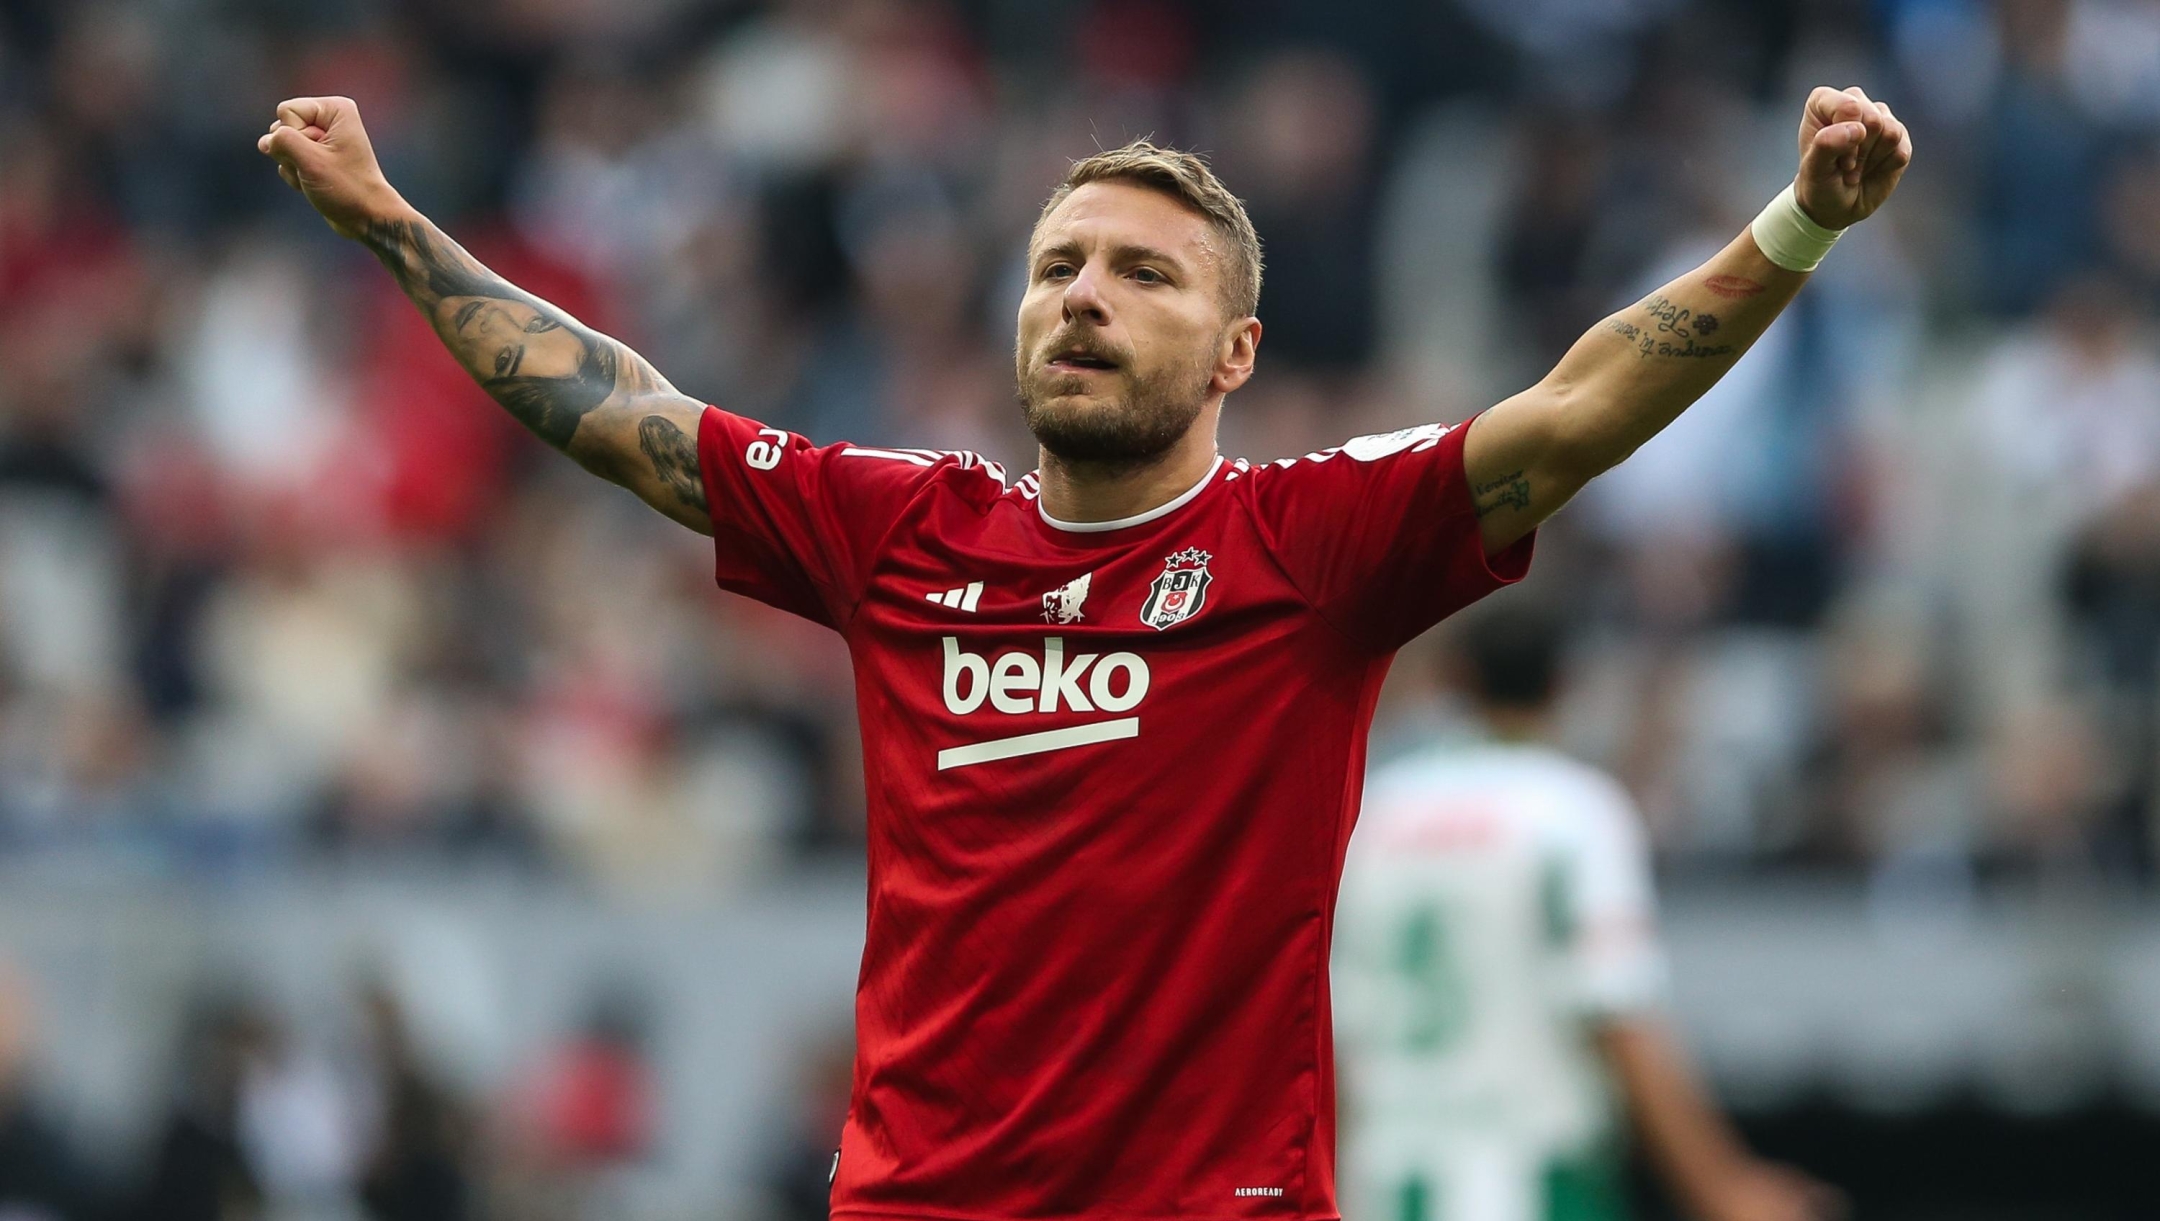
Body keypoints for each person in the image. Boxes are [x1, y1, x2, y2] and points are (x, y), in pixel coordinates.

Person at [255, 86, 1909, 1219]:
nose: (1084, 299)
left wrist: (1798, 226)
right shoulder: (900, 529)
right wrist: (392, 220)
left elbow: (1581, 404)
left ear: (1237, 349)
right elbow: (631, 418)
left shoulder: (1312, 546)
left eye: (1141, 273)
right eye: (1056, 268)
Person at [1336, 613, 1845, 1221]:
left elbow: (1337, 1031)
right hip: (1537, 1183)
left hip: (1386, 1181)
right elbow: (1617, 1011)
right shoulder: (1574, 810)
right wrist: (1724, 1188)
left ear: (1454, 682)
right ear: (1565, 684)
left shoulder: (1376, 811)